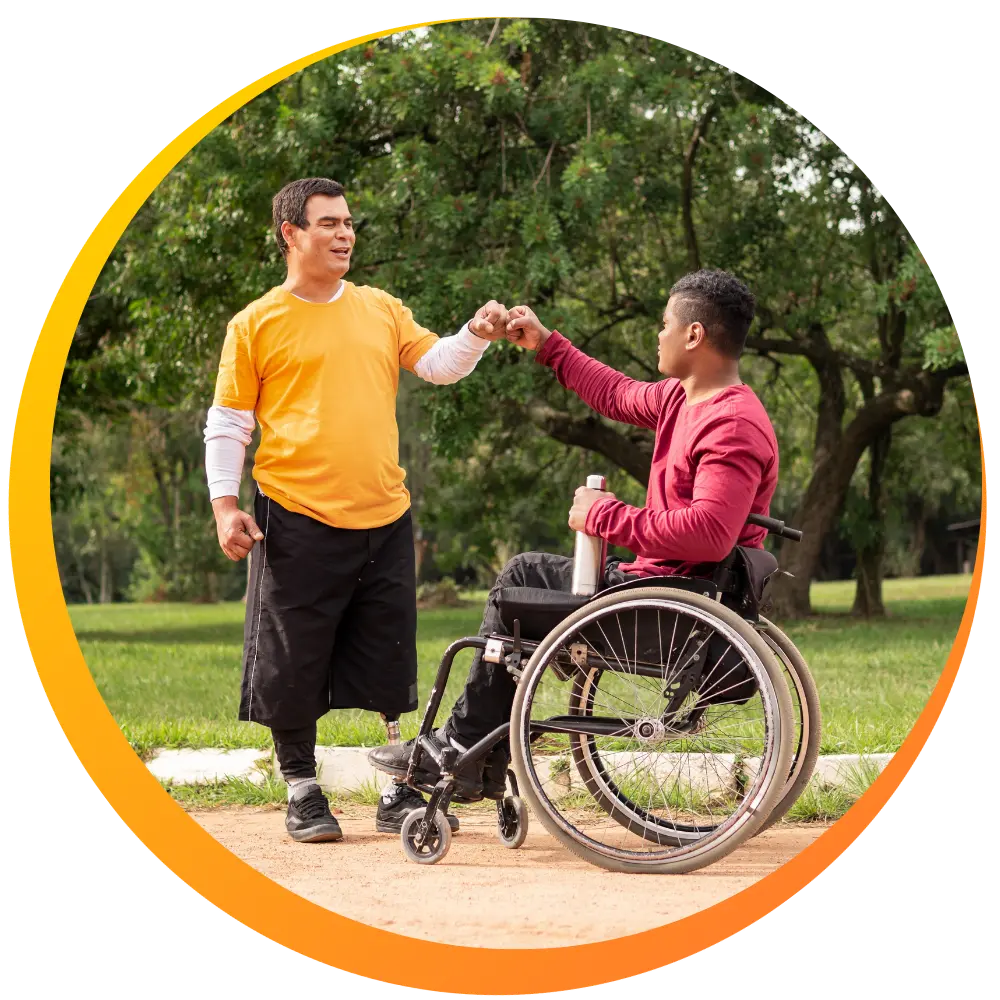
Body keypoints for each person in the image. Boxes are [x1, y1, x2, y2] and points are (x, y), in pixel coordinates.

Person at [368, 268, 780, 799]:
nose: (658, 335)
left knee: (521, 578)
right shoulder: (683, 399)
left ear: (694, 335)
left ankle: (461, 748)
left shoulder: (732, 424)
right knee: (526, 580)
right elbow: (617, 394)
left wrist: (603, 514)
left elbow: (709, 534)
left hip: (673, 605)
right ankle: (478, 757)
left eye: (665, 324)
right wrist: (548, 345)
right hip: (660, 586)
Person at [204, 177, 510, 843]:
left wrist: (476, 334)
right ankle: (302, 789)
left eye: (348, 223)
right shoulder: (255, 323)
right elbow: (228, 423)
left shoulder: (379, 307)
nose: (345, 234)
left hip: (384, 516)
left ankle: (399, 790)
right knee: (292, 659)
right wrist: (226, 507)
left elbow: (437, 363)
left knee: (387, 657)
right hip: (294, 517)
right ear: (291, 233)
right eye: (329, 224)